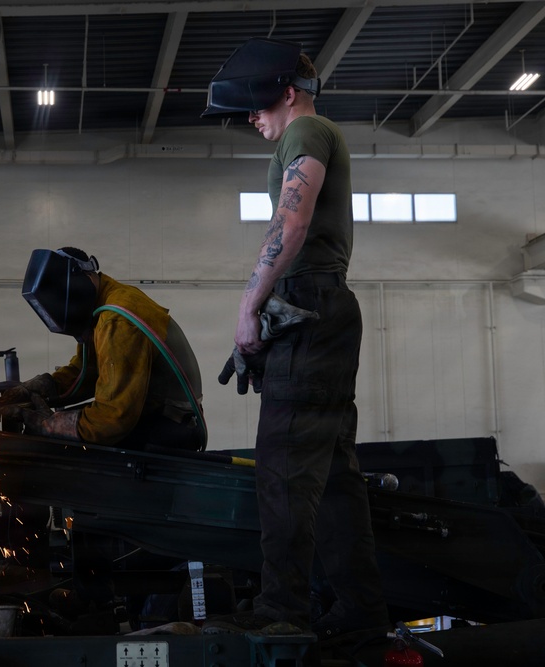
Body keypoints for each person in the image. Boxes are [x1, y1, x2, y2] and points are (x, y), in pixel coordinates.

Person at [201, 38, 389, 640]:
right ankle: (359, 612)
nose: (249, 118)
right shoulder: (304, 136)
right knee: (334, 478)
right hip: (323, 308)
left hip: (307, 304)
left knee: (281, 467)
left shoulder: (305, 135)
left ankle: (282, 611)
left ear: (288, 93)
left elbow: (293, 219)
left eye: (254, 106)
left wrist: (248, 307)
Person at [0, 247, 205, 451]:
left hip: (169, 426)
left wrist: (50, 425)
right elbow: (87, 370)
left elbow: (112, 418)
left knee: (54, 447)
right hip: (150, 414)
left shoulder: (117, 319)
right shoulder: (106, 305)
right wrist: (42, 387)